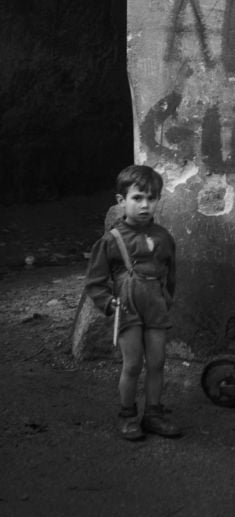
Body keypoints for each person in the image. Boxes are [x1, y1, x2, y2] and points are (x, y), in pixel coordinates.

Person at [84, 164, 181, 441]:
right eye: (137, 198)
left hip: (156, 308)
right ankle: (127, 415)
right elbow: (95, 282)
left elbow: (170, 274)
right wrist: (108, 303)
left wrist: (166, 300)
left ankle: (153, 414)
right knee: (132, 364)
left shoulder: (164, 237)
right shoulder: (110, 240)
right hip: (126, 308)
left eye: (151, 199)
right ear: (121, 201)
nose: (144, 205)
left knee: (158, 361)